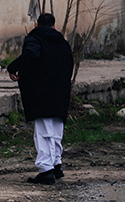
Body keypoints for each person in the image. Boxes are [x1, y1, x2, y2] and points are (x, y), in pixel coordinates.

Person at [7, 12, 74, 184]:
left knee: (43, 131)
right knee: (57, 129)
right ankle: (56, 164)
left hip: (40, 91)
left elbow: (31, 55)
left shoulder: (34, 39)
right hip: (60, 91)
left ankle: (45, 169)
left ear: (36, 25)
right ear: (53, 25)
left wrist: (13, 67)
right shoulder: (63, 43)